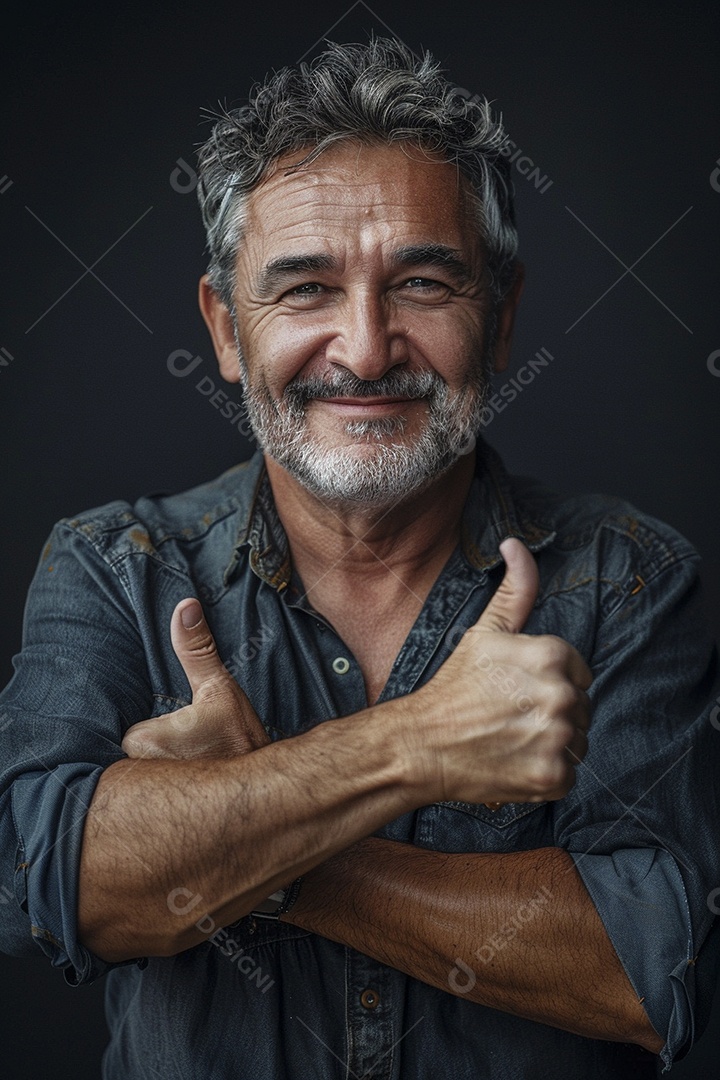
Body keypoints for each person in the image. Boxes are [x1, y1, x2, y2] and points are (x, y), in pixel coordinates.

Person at [0, 37, 718, 1079]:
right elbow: (39, 883)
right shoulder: (116, 566)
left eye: (423, 283)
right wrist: (415, 747)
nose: (367, 349)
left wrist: (249, 836)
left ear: (502, 318)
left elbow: (657, 969)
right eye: (305, 289)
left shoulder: (629, 577)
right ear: (226, 330)